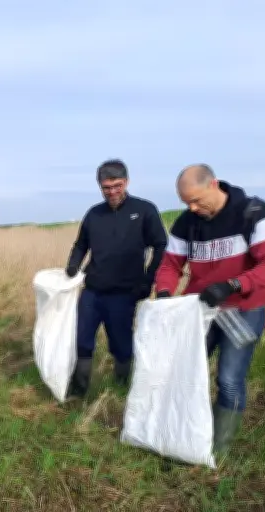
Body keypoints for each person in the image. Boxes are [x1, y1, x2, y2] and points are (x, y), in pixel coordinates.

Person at [155, 164, 265, 454]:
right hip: (200, 312)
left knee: (228, 379)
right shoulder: (186, 222)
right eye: (185, 202)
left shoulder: (253, 214)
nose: (192, 207)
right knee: (187, 372)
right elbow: (171, 264)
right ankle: (186, 434)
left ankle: (219, 448)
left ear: (214, 184)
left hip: (244, 309)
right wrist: (164, 290)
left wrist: (233, 284)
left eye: (196, 200)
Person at [65, 159, 168, 395]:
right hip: (92, 291)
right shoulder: (94, 214)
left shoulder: (144, 210)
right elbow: (81, 245)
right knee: (82, 341)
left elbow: (161, 247)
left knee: (121, 345)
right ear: (100, 186)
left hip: (124, 293)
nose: (112, 191)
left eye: (117, 185)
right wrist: (72, 266)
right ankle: (78, 391)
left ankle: (121, 389)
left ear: (127, 182)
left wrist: (147, 280)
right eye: (106, 187)